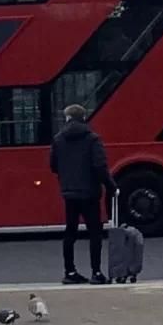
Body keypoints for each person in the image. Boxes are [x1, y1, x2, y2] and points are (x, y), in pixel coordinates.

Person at [48, 101, 111, 284]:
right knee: (95, 232)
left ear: (67, 118)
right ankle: (96, 273)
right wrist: (111, 185)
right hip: (90, 192)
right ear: (83, 118)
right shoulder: (93, 138)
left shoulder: (58, 139)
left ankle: (70, 272)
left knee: (70, 232)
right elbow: (100, 166)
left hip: (69, 193)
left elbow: (52, 165)